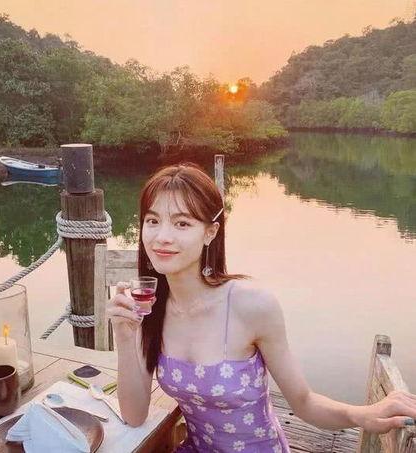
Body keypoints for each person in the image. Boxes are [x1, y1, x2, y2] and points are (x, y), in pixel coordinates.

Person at [106, 163, 416, 452]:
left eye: (182, 223)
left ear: (210, 232)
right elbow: (134, 415)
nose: (162, 237)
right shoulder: (149, 309)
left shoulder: (251, 306)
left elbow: (304, 402)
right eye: (152, 221)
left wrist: (361, 415)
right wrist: (124, 335)